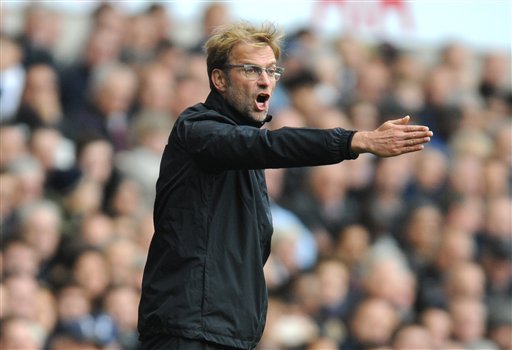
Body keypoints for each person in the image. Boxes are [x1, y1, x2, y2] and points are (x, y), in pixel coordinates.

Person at [137, 21, 433, 350]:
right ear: (219, 79)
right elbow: (269, 146)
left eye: (272, 71)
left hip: (226, 333)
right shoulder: (199, 129)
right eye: (251, 70)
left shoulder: (241, 149)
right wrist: (355, 141)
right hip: (189, 331)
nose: (265, 79)